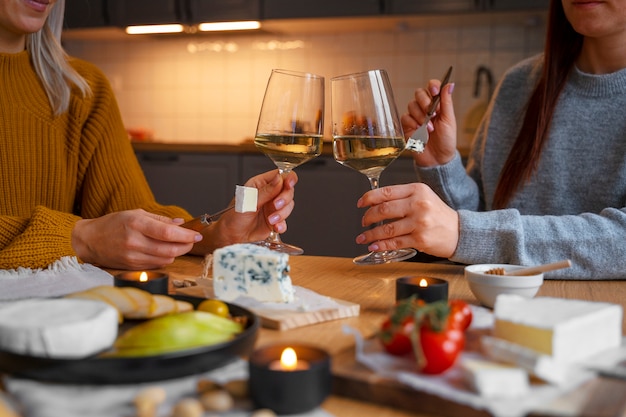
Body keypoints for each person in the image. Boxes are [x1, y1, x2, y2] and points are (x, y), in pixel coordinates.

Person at [0, 0, 297, 271]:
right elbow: (96, 237)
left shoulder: (83, 88)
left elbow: (128, 216)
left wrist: (212, 235)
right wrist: (81, 238)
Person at [356, 0, 626, 279]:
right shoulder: (519, 83)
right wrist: (441, 165)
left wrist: (464, 232)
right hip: (494, 307)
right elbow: (481, 216)